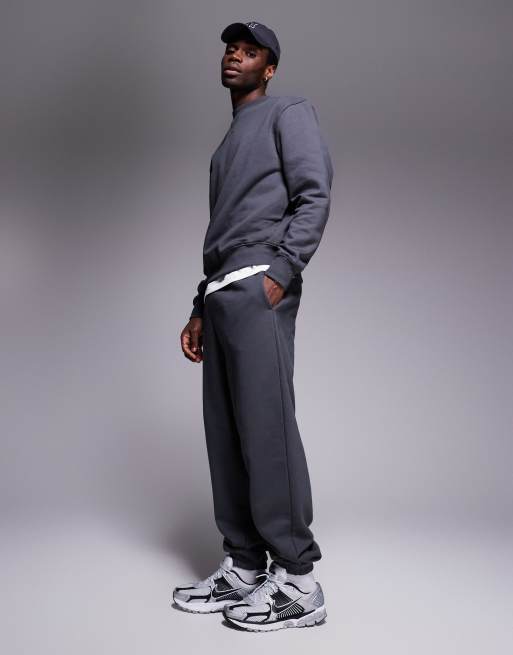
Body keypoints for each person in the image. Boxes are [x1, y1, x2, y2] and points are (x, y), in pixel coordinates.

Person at [175, 20, 333, 631]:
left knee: (267, 431)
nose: (234, 57)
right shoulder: (227, 145)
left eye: (249, 52)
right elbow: (224, 231)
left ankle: (299, 581)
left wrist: (283, 271)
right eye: (230, 49)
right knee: (226, 437)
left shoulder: (288, 112)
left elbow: (313, 194)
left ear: (269, 69)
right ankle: (244, 565)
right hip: (221, 294)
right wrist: (199, 305)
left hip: (259, 286)